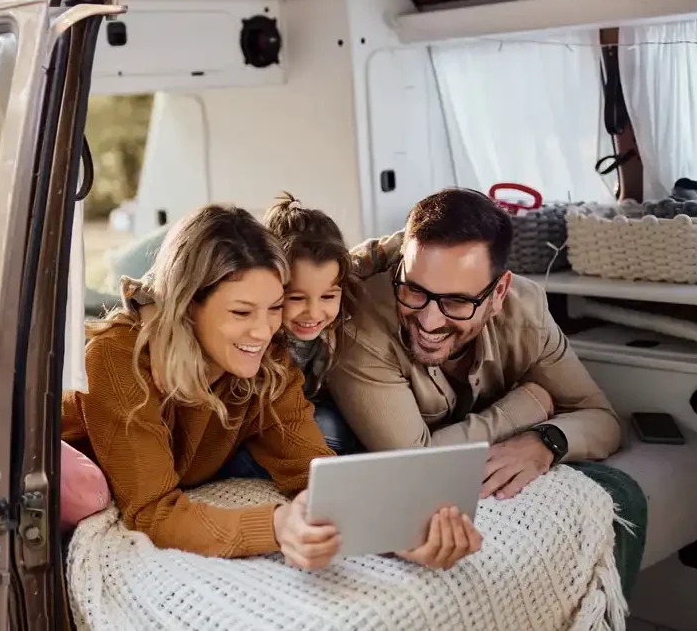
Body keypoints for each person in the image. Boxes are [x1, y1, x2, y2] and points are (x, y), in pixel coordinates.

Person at [61, 203, 480, 570]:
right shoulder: (117, 358)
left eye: (275, 307)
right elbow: (153, 511)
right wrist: (276, 525)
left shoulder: (269, 362)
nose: (263, 331)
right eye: (242, 312)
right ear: (187, 306)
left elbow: (313, 471)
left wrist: (401, 534)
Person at [329, 187, 646, 592]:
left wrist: (546, 441)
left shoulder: (526, 310)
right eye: (414, 290)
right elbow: (414, 465)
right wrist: (527, 407)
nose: (428, 321)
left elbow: (602, 419)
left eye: (457, 302)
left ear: (498, 293)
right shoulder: (361, 324)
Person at [215, 193, 363, 480]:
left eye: (328, 297)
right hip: (247, 434)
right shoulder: (257, 335)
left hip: (299, 412)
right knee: (329, 429)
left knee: (342, 421)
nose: (314, 312)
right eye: (296, 297)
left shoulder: (335, 317)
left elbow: (374, 256)